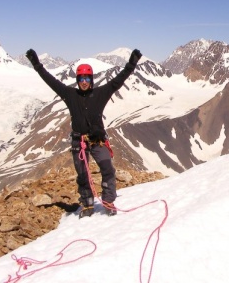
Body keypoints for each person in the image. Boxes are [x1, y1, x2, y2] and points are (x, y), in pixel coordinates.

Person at [25, 48, 142, 218]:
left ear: (91, 80)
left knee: (107, 167)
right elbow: (51, 81)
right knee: (83, 174)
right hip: (78, 142)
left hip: (97, 140)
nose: (84, 82)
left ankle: (108, 201)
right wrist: (37, 65)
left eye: (87, 78)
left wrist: (131, 64)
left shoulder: (101, 93)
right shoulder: (70, 95)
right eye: (81, 79)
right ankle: (87, 204)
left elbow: (118, 80)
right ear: (78, 80)